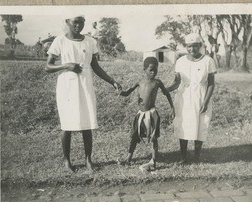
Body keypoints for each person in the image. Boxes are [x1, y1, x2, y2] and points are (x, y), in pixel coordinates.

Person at [45, 15, 122, 172]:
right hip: (67, 86)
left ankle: (88, 160)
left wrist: (112, 81)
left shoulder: (90, 41)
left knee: (87, 123)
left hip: (85, 85)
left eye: (81, 22)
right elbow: (48, 66)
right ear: (68, 22)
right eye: (75, 22)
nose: (78, 25)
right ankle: (67, 162)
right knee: (67, 125)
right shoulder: (60, 40)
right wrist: (66, 65)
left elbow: (96, 66)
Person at [167, 33, 216, 164]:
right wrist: (167, 89)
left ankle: (196, 157)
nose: (192, 49)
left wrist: (205, 102)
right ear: (186, 47)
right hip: (183, 98)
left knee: (200, 126)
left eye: (195, 46)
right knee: (184, 125)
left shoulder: (208, 61)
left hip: (200, 97)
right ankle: (183, 157)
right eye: (189, 46)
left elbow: (211, 83)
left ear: (200, 46)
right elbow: (177, 82)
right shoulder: (180, 61)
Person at [119, 57, 175, 171]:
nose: (153, 72)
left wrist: (172, 108)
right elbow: (127, 92)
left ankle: (153, 161)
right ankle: (128, 158)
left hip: (152, 114)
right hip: (141, 114)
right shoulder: (139, 82)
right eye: (151, 70)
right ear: (144, 69)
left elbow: (167, 94)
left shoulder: (158, 82)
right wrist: (120, 92)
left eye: (155, 69)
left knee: (154, 137)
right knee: (134, 136)